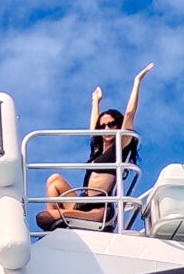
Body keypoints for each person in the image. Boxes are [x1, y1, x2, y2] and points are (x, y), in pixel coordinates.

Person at [36, 65, 150, 230]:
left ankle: (59, 219)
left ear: (118, 126)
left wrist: (137, 82)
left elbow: (130, 115)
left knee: (44, 218)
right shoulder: (98, 150)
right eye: (103, 126)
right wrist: (95, 102)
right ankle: (60, 221)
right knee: (54, 180)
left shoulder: (120, 146)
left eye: (112, 125)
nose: (107, 129)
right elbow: (92, 129)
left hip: (99, 210)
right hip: (83, 202)